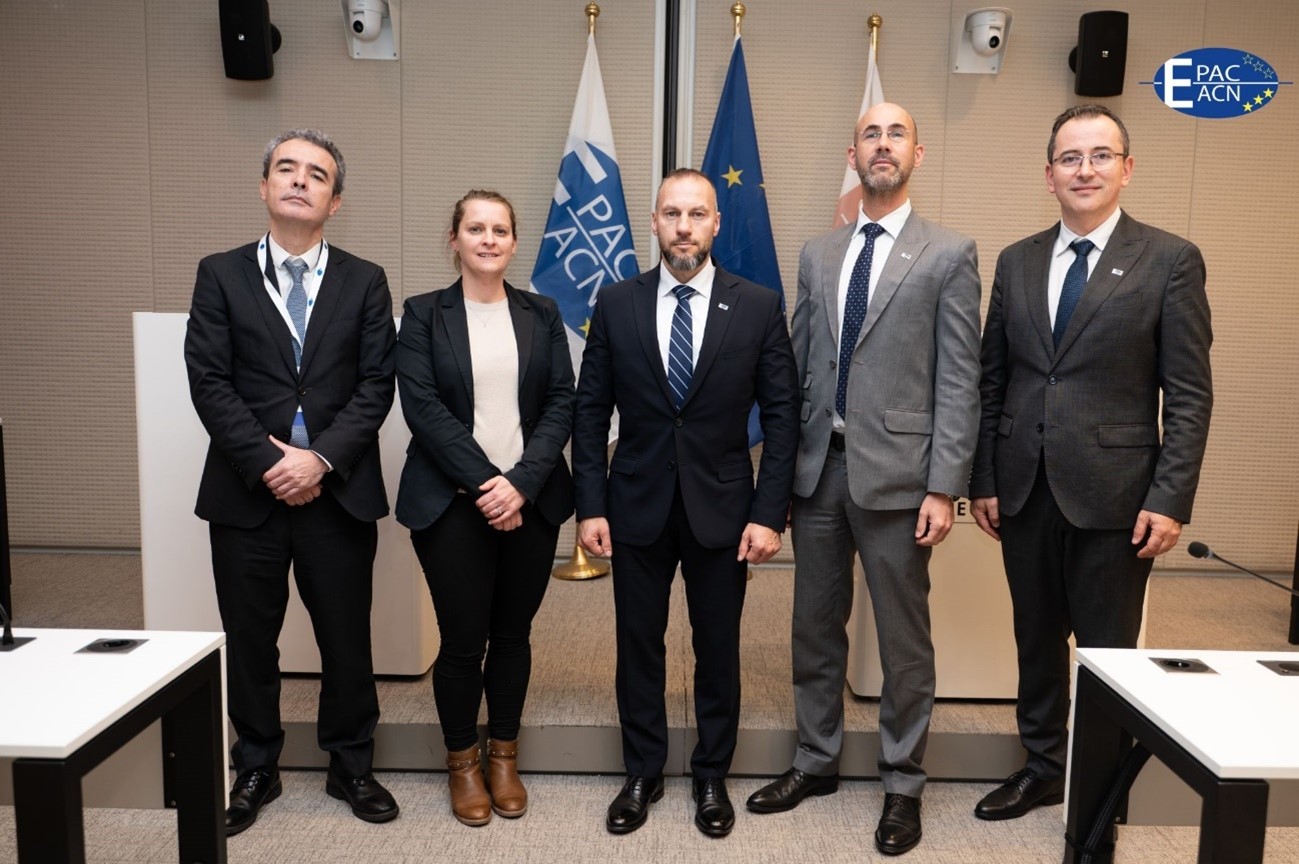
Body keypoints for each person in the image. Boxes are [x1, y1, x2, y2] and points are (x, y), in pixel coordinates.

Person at [746, 102, 981, 857]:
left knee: (902, 639)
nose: (883, 146)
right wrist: (776, 474)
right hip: (818, 472)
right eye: (871, 135)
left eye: (896, 135)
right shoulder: (817, 254)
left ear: (919, 152)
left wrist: (945, 485)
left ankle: (902, 782)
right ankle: (815, 761)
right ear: (853, 154)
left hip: (902, 480)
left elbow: (959, 380)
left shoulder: (948, 253)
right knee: (812, 628)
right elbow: (795, 370)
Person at [969, 104, 1212, 821]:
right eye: (1069, 158)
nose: (1085, 169)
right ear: (1048, 176)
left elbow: (1190, 394)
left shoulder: (1169, 259)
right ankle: (1042, 766)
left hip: (1117, 495)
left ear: (1126, 169)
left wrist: (1170, 497)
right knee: (1035, 640)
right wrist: (982, 478)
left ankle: (1099, 788)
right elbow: (992, 378)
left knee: (1108, 653)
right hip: (1021, 488)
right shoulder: (1015, 261)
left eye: (1100, 156)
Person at [571, 168, 799, 838]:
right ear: (653, 221)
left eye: (696, 214)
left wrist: (767, 511)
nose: (683, 226)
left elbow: (782, 416)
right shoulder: (616, 302)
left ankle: (709, 776)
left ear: (715, 224)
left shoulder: (756, 305)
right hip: (634, 503)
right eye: (671, 213)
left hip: (723, 512)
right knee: (637, 645)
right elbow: (591, 413)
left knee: (717, 647)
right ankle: (641, 773)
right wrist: (590, 505)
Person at [184, 128, 399, 835]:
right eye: (286, 169)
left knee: (345, 637)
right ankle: (255, 765)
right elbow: (210, 382)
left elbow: (375, 385)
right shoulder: (219, 273)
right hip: (247, 494)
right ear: (264, 187)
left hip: (336, 493)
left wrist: (320, 460)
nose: (300, 181)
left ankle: (351, 764)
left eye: (317, 175)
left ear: (335, 202)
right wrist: (274, 464)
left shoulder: (365, 280)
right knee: (251, 637)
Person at [394, 190, 574, 826]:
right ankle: (463, 762)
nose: (489, 239)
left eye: (500, 229)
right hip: (450, 504)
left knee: (514, 635)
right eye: (476, 228)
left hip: (533, 501)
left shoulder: (543, 313)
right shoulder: (421, 315)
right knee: (463, 640)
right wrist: (488, 486)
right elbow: (423, 410)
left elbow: (561, 403)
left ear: (514, 242)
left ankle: (504, 754)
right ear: (454, 239)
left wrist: (520, 484)